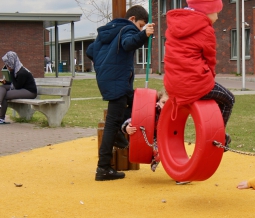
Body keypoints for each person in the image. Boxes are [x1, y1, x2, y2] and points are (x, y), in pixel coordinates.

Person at [86, 5, 155, 181]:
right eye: (141, 24)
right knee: (112, 122)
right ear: (132, 19)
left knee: (135, 103)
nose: (140, 28)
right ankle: (103, 168)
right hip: (117, 80)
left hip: (109, 79)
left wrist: (104, 65)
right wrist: (143, 34)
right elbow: (128, 43)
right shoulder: (128, 28)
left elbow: (90, 51)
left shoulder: (110, 31)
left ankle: (119, 134)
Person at [163, 0, 235, 151]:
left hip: (173, 85)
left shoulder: (174, 26)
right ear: (207, 11)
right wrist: (210, 78)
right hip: (194, 83)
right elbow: (210, 59)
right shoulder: (205, 29)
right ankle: (218, 138)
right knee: (229, 99)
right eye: (216, 12)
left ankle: (215, 134)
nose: (217, 17)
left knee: (216, 99)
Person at [121, 89, 190, 185]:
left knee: (172, 154)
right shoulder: (152, 110)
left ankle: (180, 175)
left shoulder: (173, 113)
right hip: (151, 137)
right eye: (163, 102)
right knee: (161, 152)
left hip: (166, 138)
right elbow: (135, 119)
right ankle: (176, 173)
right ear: (158, 101)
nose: (165, 106)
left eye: (168, 104)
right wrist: (127, 127)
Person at [0, 51, 37, 124]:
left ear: (12, 62)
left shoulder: (22, 72)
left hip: (29, 92)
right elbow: (15, 83)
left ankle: (1, 118)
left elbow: (17, 86)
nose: (7, 66)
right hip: (21, 88)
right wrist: (5, 82)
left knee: (5, 95)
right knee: (2, 87)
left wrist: (11, 72)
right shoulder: (16, 70)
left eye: (8, 64)